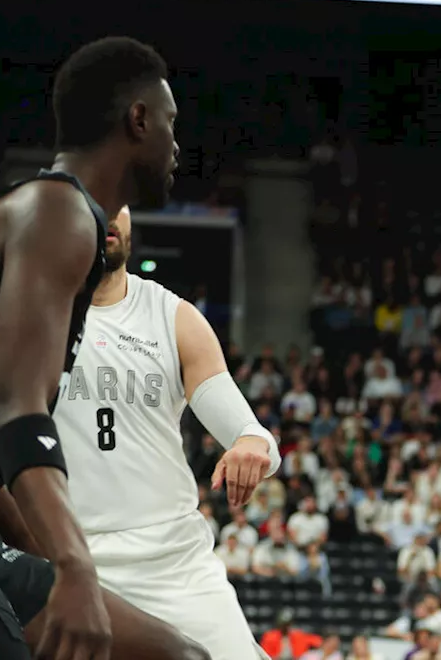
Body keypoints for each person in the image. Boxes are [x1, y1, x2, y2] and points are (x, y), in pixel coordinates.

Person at [0, 36, 208, 658]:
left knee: (176, 654)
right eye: (171, 124)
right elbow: (15, 409)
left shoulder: (68, 218)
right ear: (139, 120)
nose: (177, 146)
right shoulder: (60, 212)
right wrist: (74, 568)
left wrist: (69, 568)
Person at [53, 204, 280, 658]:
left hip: (174, 563)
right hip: (64, 557)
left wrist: (252, 443)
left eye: (119, 205)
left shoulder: (174, 316)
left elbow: (249, 431)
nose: (109, 218)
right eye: (96, 203)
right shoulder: (31, 316)